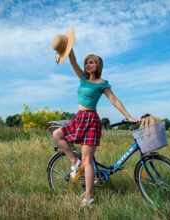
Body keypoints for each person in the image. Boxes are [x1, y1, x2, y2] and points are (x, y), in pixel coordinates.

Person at [52, 29, 138, 207]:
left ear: (98, 65)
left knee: (88, 160)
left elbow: (114, 100)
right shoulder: (82, 78)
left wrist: (128, 116)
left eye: (92, 62)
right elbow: (73, 60)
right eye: (87, 62)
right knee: (57, 135)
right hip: (78, 118)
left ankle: (88, 196)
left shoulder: (102, 83)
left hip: (91, 120)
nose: (88, 65)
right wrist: (67, 48)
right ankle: (73, 162)